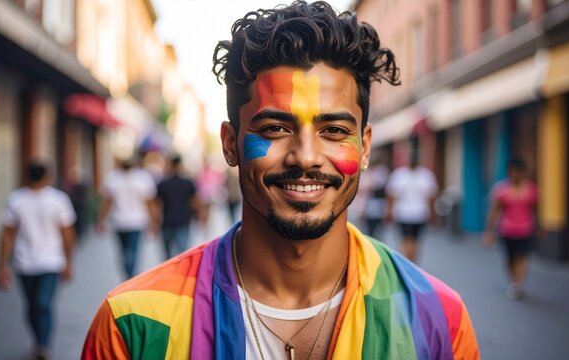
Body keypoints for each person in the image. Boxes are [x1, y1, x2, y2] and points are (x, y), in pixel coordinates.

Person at [82, 2, 479, 359]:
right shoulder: (133, 325)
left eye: (335, 131)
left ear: (365, 147)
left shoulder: (438, 321)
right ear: (230, 143)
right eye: (274, 128)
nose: (305, 156)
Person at [0, 161, 76, 360]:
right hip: (25, 263)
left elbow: (6, 235)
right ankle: (39, 340)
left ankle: (43, 345)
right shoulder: (17, 200)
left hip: (50, 262)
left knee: (42, 304)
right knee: (32, 306)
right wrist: (2, 265)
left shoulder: (57, 200)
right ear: (48, 176)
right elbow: (8, 233)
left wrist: (67, 262)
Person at [483, 158, 543, 300]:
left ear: (523, 172)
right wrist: (489, 231)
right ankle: (513, 280)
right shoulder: (501, 190)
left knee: (522, 256)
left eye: (518, 171)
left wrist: (540, 226)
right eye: (512, 171)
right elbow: (494, 211)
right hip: (507, 230)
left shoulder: (532, 189)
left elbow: (536, 210)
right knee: (510, 258)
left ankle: (518, 284)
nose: (515, 174)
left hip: (526, 230)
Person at [96, 157, 157, 279]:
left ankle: (129, 276)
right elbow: (149, 202)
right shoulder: (140, 178)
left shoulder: (114, 178)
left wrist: (100, 220)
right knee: (130, 252)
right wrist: (154, 221)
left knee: (126, 252)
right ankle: (130, 276)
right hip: (132, 222)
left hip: (125, 222)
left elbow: (107, 203)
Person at [385, 148, 438, 263]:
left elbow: (430, 197)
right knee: (410, 239)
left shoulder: (423, 175)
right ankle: (411, 261)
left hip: (416, 214)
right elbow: (392, 196)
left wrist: (432, 213)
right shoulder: (423, 175)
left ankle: (409, 261)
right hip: (406, 213)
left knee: (412, 240)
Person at [156, 155, 202, 259]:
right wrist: (200, 215)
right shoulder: (188, 183)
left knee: (167, 255)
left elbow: (157, 204)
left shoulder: (163, 184)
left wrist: (155, 221)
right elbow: (194, 201)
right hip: (183, 220)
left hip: (167, 220)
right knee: (182, 252)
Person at [362, 157, 389, 239]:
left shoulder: (381, 171)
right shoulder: (368, 173)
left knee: (377, 229)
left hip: (378, 205)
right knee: (371, 229)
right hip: (371, 206)